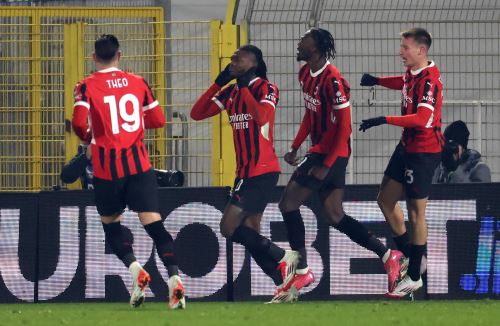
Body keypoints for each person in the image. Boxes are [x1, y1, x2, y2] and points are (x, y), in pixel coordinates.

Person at [279, 27, 405, 298]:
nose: (299, 44)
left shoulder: (334, 80)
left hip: (332, 153)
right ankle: (388, 255)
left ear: (316, 47)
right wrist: (295, 145)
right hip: (320, 151)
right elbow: (309, 114)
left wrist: (328, 163)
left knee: (288, 203)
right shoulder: (304, 74)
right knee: (334, 215)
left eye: (304, 40)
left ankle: (301, 274)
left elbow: (345, 127)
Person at [72, 34, 185, 309]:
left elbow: (78, 124)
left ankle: (137, 271)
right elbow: (157, 120)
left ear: (93, 57)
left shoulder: (85, 86)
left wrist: (89, 137)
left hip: (106, 169)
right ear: (119, 56)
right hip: (139, 165)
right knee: (155, 225)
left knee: (111, 225)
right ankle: (174, 281)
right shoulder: (138, 82)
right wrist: (132, 124)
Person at [190, 45, 299, 303]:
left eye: (239, 55)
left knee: (228, 227)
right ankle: (285, 287)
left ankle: (285, 257)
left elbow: (261, 117)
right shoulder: (230, 92)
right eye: (232, 56)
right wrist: (219, 83)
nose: (233, 58)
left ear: (254, 62)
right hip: (245, 173)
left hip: (262, 170)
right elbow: (197, 113)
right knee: (251, 234)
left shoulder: (266, 88)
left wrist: (244, 87)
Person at [359, 27, 444, 298]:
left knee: (417, 213)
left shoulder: (430, 81)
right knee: (385, 199)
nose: (401, 52)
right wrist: (378, 81)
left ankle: (415, 277)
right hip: (406, 146)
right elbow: (403, 82)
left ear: (421, 50)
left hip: (423, 151)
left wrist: (384, 119)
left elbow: (421, 118)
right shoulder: (412, 73)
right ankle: (411, 257)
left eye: (405, 48)